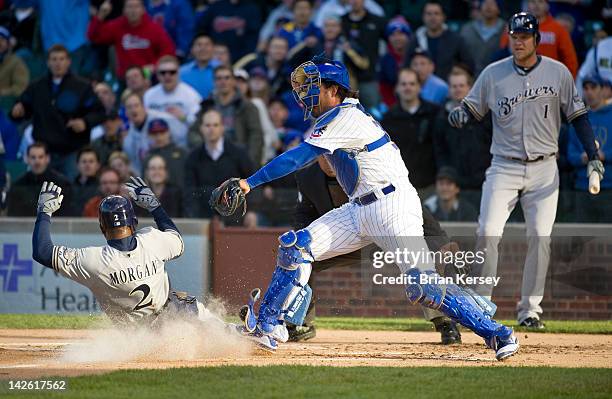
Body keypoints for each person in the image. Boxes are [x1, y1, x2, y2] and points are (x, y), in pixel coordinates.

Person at [214, 54, 519, 360]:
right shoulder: (333, 119)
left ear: (336, 91)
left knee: (424, 287)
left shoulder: (345, 117)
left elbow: (296, 158)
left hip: (393, 207)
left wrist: (247, 183)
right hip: (359, 208)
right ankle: (268, 327)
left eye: (314, 86)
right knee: (296, 246)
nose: (306, 92)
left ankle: (498, 333)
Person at [448, 13, 604, 329]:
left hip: (545, 167)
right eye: (514, 36)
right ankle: (481, 304)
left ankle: (530, 310)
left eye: (524, 36)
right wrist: (460, 115)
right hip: (504, 165)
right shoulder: (493, 74)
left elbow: (578, 117)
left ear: (536, 39)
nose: (518, 41)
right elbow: (470, 108)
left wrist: (593, 155)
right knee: (487, 232)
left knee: (540, 238)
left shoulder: (558, 73)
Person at [31, 177, 262, 346]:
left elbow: (42, 252)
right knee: (185, 303)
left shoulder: (93, 260)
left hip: (135, 337)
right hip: (172, 317)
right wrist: (154, 205)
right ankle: (232, 333)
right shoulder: (151, 239)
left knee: (179, 304)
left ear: (102, 227)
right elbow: (177, 240)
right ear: (133, 222)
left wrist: (44, 212)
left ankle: (222, 334)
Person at [290, 158, 462, 344]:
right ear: (317, 154)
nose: (331, 162)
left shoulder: (365, 167)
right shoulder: (307, 176)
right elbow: (304, 214)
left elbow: (409, 201)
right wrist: (301, 242)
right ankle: (300, 322)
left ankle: (446, 321)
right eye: (325, 156)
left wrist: (440, 240)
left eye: (334, 154)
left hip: (385, 231)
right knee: (300, 256)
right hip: (345, 238)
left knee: (425, 255)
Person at [10, 45, 106, 180]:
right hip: (44, 153)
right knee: (44, 194)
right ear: (48, 62)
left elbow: (100, 112)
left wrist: (85, 122)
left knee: (71, 192)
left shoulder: (82, 86)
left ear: (69, 61)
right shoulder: (37, 86)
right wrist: (18, 109)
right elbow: (24, 107)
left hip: (71, 151)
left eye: (61, 59)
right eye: (54, 59)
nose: (58, 63)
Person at [184, 109, 254, 218]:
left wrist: (251, 211)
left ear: (222, 128)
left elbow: (251, 181)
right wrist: (194, 215)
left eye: (215, 125)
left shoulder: (238, 153)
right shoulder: (193, 157)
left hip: (236, 217)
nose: (211, 129)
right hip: (204, 217)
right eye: (207, 125)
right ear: (201, 128)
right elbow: (189, 190)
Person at [381, 68, 439, 197]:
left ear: (419, 87)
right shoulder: (388, 119)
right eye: (403, 84)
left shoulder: (434, 114)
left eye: (412, 84)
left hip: (431, 186)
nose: (408, 88)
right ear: (397, 88)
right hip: (402, 189)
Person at [189, 66, 264, 163]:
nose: (223, 82)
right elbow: (193, 132)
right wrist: (204, 148)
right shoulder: (207, 106)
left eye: (227, 78)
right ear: (214, 82)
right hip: (211, 158)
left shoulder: (247, 106)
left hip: (238, 159)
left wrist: (248, 161)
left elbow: (256, 137)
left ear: (233, 81)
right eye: (219, 78)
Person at [433, 70, 491, 192]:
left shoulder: (486, 114)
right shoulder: (441, 118)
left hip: (485, 180)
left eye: (461, 86)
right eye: (454, 86)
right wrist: (448, 174)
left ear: (470, 88)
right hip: (455, 184)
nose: (458, 89)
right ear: (449, 90)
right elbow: (440, 150)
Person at [87, 0, 176, 79]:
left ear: (143, 10)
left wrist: (154, 66)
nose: (133, 11)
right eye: (129, 7)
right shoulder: (117, 26)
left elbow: (168, 52)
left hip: (147, 76)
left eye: (136, 7)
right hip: (125, 78)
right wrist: (100, 15)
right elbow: (93, 36)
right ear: (124, 10)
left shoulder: (154, 29)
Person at [499, 0, 578, 77]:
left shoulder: (558, 29)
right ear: (527, 4)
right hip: (518, 77)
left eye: (540, 1)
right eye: (533, 2)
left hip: (549, 80)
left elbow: (570, 60)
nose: (536, 5)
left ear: (547, 5)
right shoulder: (515, 26)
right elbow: (502, 53)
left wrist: (568, 83)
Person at [404, 1, 473, 82]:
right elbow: (406, 67)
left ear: (443, 16)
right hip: (420, 89)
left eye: (436, 13)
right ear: (423, 17)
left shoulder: (456, 40)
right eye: (429, 14)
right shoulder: (415, 40)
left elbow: (469, 65)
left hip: (449, 88)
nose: (432, 17)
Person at [123, 93, 187, 174]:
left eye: (136, 106)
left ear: (144, 107)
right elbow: (136, 168)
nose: (133, 110)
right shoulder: (128, 140)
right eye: (129, 107)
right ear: (125, 113)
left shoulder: (164, 119)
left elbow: (183, 139)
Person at [568, 75, 612, 193]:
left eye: (593, 87)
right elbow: (570, 154)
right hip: (583, 186)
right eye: (586, 88)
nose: (589, 92)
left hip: (609, 185)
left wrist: (605, 155)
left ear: (604, 90)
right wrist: (582, 158)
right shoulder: (578, 118)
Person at [340, 0, 386, 110]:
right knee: (347, 114)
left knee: (374, 114)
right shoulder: (342, 21)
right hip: (346, 81)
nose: (355, 1)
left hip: (369, 77)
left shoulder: (377, 21)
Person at [7, 142, 72, 217]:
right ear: (27, 159)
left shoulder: (62, 184)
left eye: (40, 157)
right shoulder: (18, 185)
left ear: (47, 158)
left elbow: (67, 214)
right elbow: (13, 215)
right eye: (33, 157)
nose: (37, 161)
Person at [144, 55, 202, 128]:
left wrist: (183, 118)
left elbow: (199, 123)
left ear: (178, 73)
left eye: (172, 72)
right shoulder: (149, 95)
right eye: (163, 72)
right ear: (157, 75)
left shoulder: (191, 95)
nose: (167, 76)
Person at [196, 0, 262, 62]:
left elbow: (253, 38)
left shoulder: (251, 9)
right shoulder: (215, 7)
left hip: (241, 60)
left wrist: (243, 57)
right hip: (213, 56)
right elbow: (202, 31)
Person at [459, 0, 505, 77]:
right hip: (470, 78)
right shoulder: (466, 30)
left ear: (499, 8)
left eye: (492, 4)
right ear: (480, 7)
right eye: (485, 3)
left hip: (498, 77)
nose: (488, 7)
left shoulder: (506, 30)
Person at [143, 118, 187, 187]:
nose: (159, 136)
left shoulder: (182, 153)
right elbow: (145, 183)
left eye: (162, 132)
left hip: (182, 195)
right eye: (154, 133)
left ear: (168, 132)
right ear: (149, 135)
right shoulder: (147, 158)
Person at [379, 17, 412, 107]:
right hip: (393, 106)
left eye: (401, 34)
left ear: (408, 36)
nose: (397, 38)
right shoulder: (385, 60)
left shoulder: (415, 57)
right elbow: (384, 88)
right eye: (392, 34)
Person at [279, 0, 322, 67]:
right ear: (293, 11)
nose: (302, 12)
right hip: (287, 71)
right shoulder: (284, 31)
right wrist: (304, 44)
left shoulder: (317, 31)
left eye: (305, 8)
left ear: (311, 11)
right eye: (299, 8)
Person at [180, 34, 220, 99]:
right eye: (199, 45)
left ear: (213, 48)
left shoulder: (222, 69)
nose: (203, 49)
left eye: (207, 45)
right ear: (192, 49)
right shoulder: (181, 72)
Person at [0, 26, 29, 112]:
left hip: (7, 108)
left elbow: (21, 88)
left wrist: (2, 92)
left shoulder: (16, 63)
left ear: (8, 44)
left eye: (2, 40)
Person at [71, 147, 101, 216]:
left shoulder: (102, 187)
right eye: (84, 161)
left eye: (91, 161)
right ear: (77, 165)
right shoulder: (69, 187)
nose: (87, 165)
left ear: (98, 165)